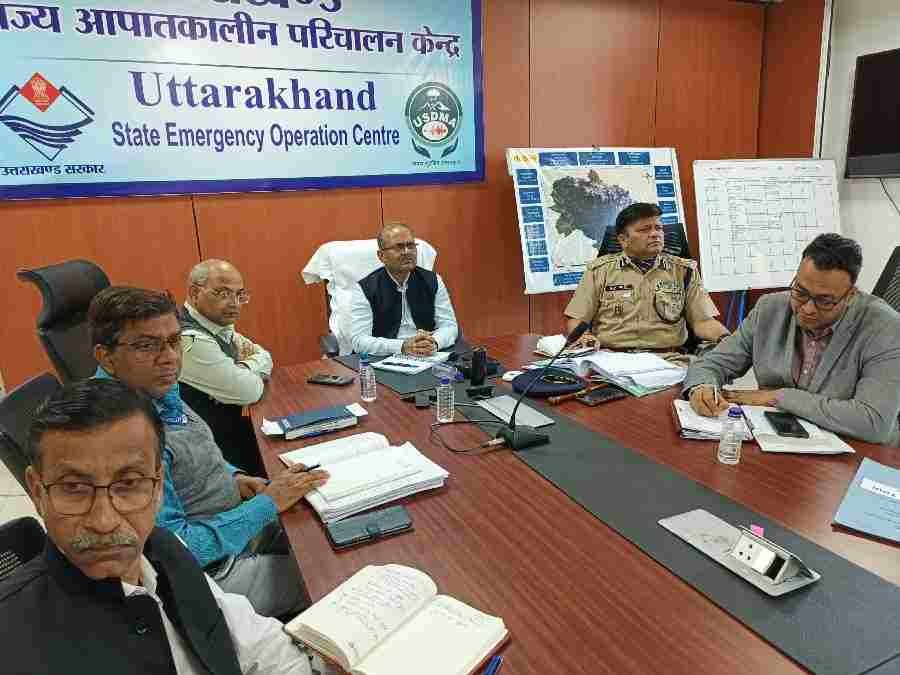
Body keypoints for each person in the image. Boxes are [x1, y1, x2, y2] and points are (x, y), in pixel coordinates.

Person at [0, 379, 332, 675]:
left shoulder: (165, 548)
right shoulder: (13, 645)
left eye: (129, 483)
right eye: (73, 488)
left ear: (158, 487)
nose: (104, 521)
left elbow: (257, 646)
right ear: (37, 492)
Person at [88, 285, 329, 618]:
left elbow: (193, 448)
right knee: (333, 574)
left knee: (327, 525)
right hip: (209, 577)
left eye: (174, 341)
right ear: (106, 357)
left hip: (231, 527)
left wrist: (236, 478)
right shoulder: (123, 438)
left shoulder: (154, 388)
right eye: (147, 345)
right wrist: (268, 504)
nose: (169, 357)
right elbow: (176, 551)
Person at [684, 233, 900, 446]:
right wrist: (702, 387)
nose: (807, 308)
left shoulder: (886, 328)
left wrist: (779, 397)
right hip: (775, 439)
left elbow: (874, 422)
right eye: (801, 292)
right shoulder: (770, 309)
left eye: (824, 301)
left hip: (853, 450)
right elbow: (712, 363)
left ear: (851, 295)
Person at [563, 203, 729, 363]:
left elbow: (703, 321)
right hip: (612, 360)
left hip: (670, 360)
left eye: (659, 228)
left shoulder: (684, 271)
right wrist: (585, 338)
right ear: (623, 239)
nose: (655, 234)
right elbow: (577, 319)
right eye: (644, 229)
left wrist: (727, 339)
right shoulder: (599, 271)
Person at [179, 259, 271, 474]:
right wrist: (245, 372)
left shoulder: (217, 325)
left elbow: (265, 356)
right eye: (223, 294)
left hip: (230, 431)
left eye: (240, 295)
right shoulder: (190, 339)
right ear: (194, 293)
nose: (235, 303)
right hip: (209, 454)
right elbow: (248, 390)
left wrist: (241, 369)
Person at [350, 223, 459, 356]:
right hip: (384, 358)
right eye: (399, 247)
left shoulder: (433, 280)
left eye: (411, 245)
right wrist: (402, 346)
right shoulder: (365, 288)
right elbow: (359, 341)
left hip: (428, 356)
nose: (407, 252)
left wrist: (434, 342)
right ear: (381, 256)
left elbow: (449, 326)